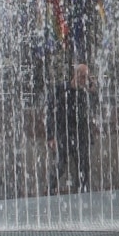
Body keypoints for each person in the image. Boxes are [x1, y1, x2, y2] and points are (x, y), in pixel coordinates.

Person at [44, 62, 93, 192]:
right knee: (60, 165)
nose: (85, 80)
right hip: (64, 133)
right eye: (83, 77)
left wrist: (92, 90)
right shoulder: (61, 89)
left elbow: (91, 112)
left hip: (81, 135)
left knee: (83, 165)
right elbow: (50, 112)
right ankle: (50, 189)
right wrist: (50, 136)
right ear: (75, 75)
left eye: (87, 77)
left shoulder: (85, 93)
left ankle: (83, 191)